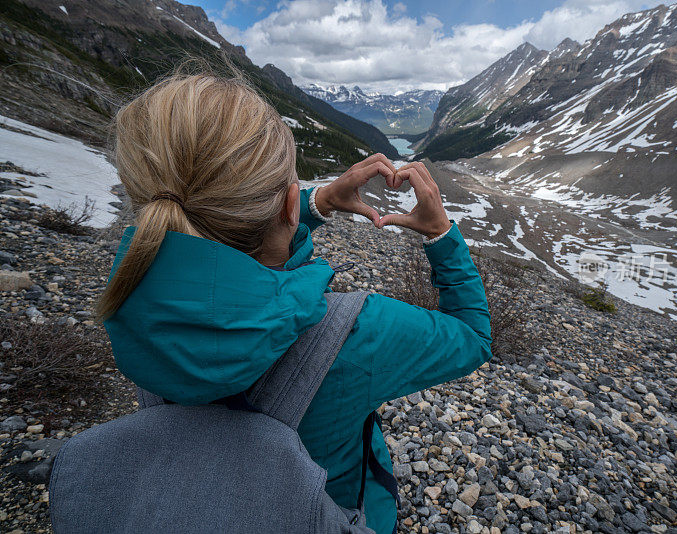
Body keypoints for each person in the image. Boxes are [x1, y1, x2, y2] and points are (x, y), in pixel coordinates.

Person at [97, 72, 492, 533]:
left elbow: (219, 235)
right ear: (288, 203)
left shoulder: (130, 299)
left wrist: (317, 203)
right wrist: (441, 233)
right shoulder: (356, 332)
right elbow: (473, 337)